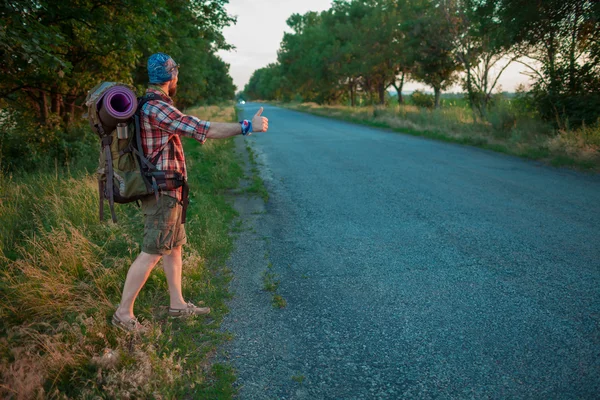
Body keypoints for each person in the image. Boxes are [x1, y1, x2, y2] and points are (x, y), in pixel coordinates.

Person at [112, 53, 269, 332]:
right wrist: (246, 127)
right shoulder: (157, 108)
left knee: (173, 248)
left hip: (169, 189)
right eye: (176, 73)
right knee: (152, 252)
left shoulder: (149, 104)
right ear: (172, 76)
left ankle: (178, 305)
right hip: (162, 191)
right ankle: (123, 314)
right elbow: (202, 129)